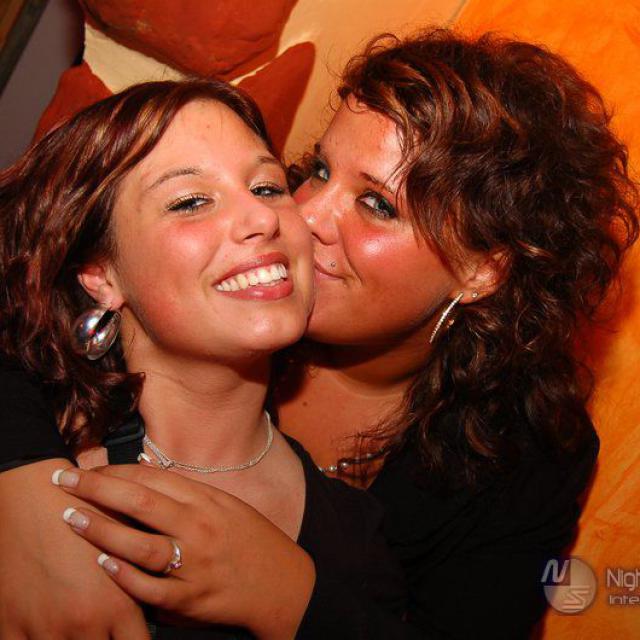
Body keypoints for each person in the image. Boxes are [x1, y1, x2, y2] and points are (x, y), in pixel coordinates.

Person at [1, 28, 638, 639]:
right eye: (319, 171)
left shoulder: (525, 456)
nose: (301, 216)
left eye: (378, 205)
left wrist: (289, 595)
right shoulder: (197, 296)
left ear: (481, 269)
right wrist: (24, 483)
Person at [0, 78, 404, 639]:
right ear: (100, 274)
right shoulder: (28, 441)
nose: (261, 219)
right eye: (191, 201)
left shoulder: (355, 545)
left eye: (267, 187)